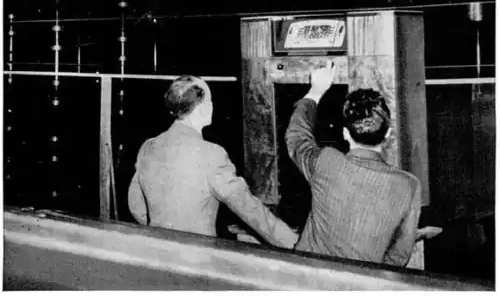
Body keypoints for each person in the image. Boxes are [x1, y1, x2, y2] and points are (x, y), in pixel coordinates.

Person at [128, 75, 298, 249]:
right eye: (210, 100)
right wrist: (292, 242)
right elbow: (248, 208)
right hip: (197, 258)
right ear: (202, 107)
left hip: (156, 252)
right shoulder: (212, 154)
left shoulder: (148, 147)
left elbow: (137, 207)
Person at [285, 63, 421, 266]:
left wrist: (316, 90)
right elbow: (398, 256)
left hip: (307, 278)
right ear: (388, 134)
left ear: (345, 134)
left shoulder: (327, 162)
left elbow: (296, 137)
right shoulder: (409, 185)